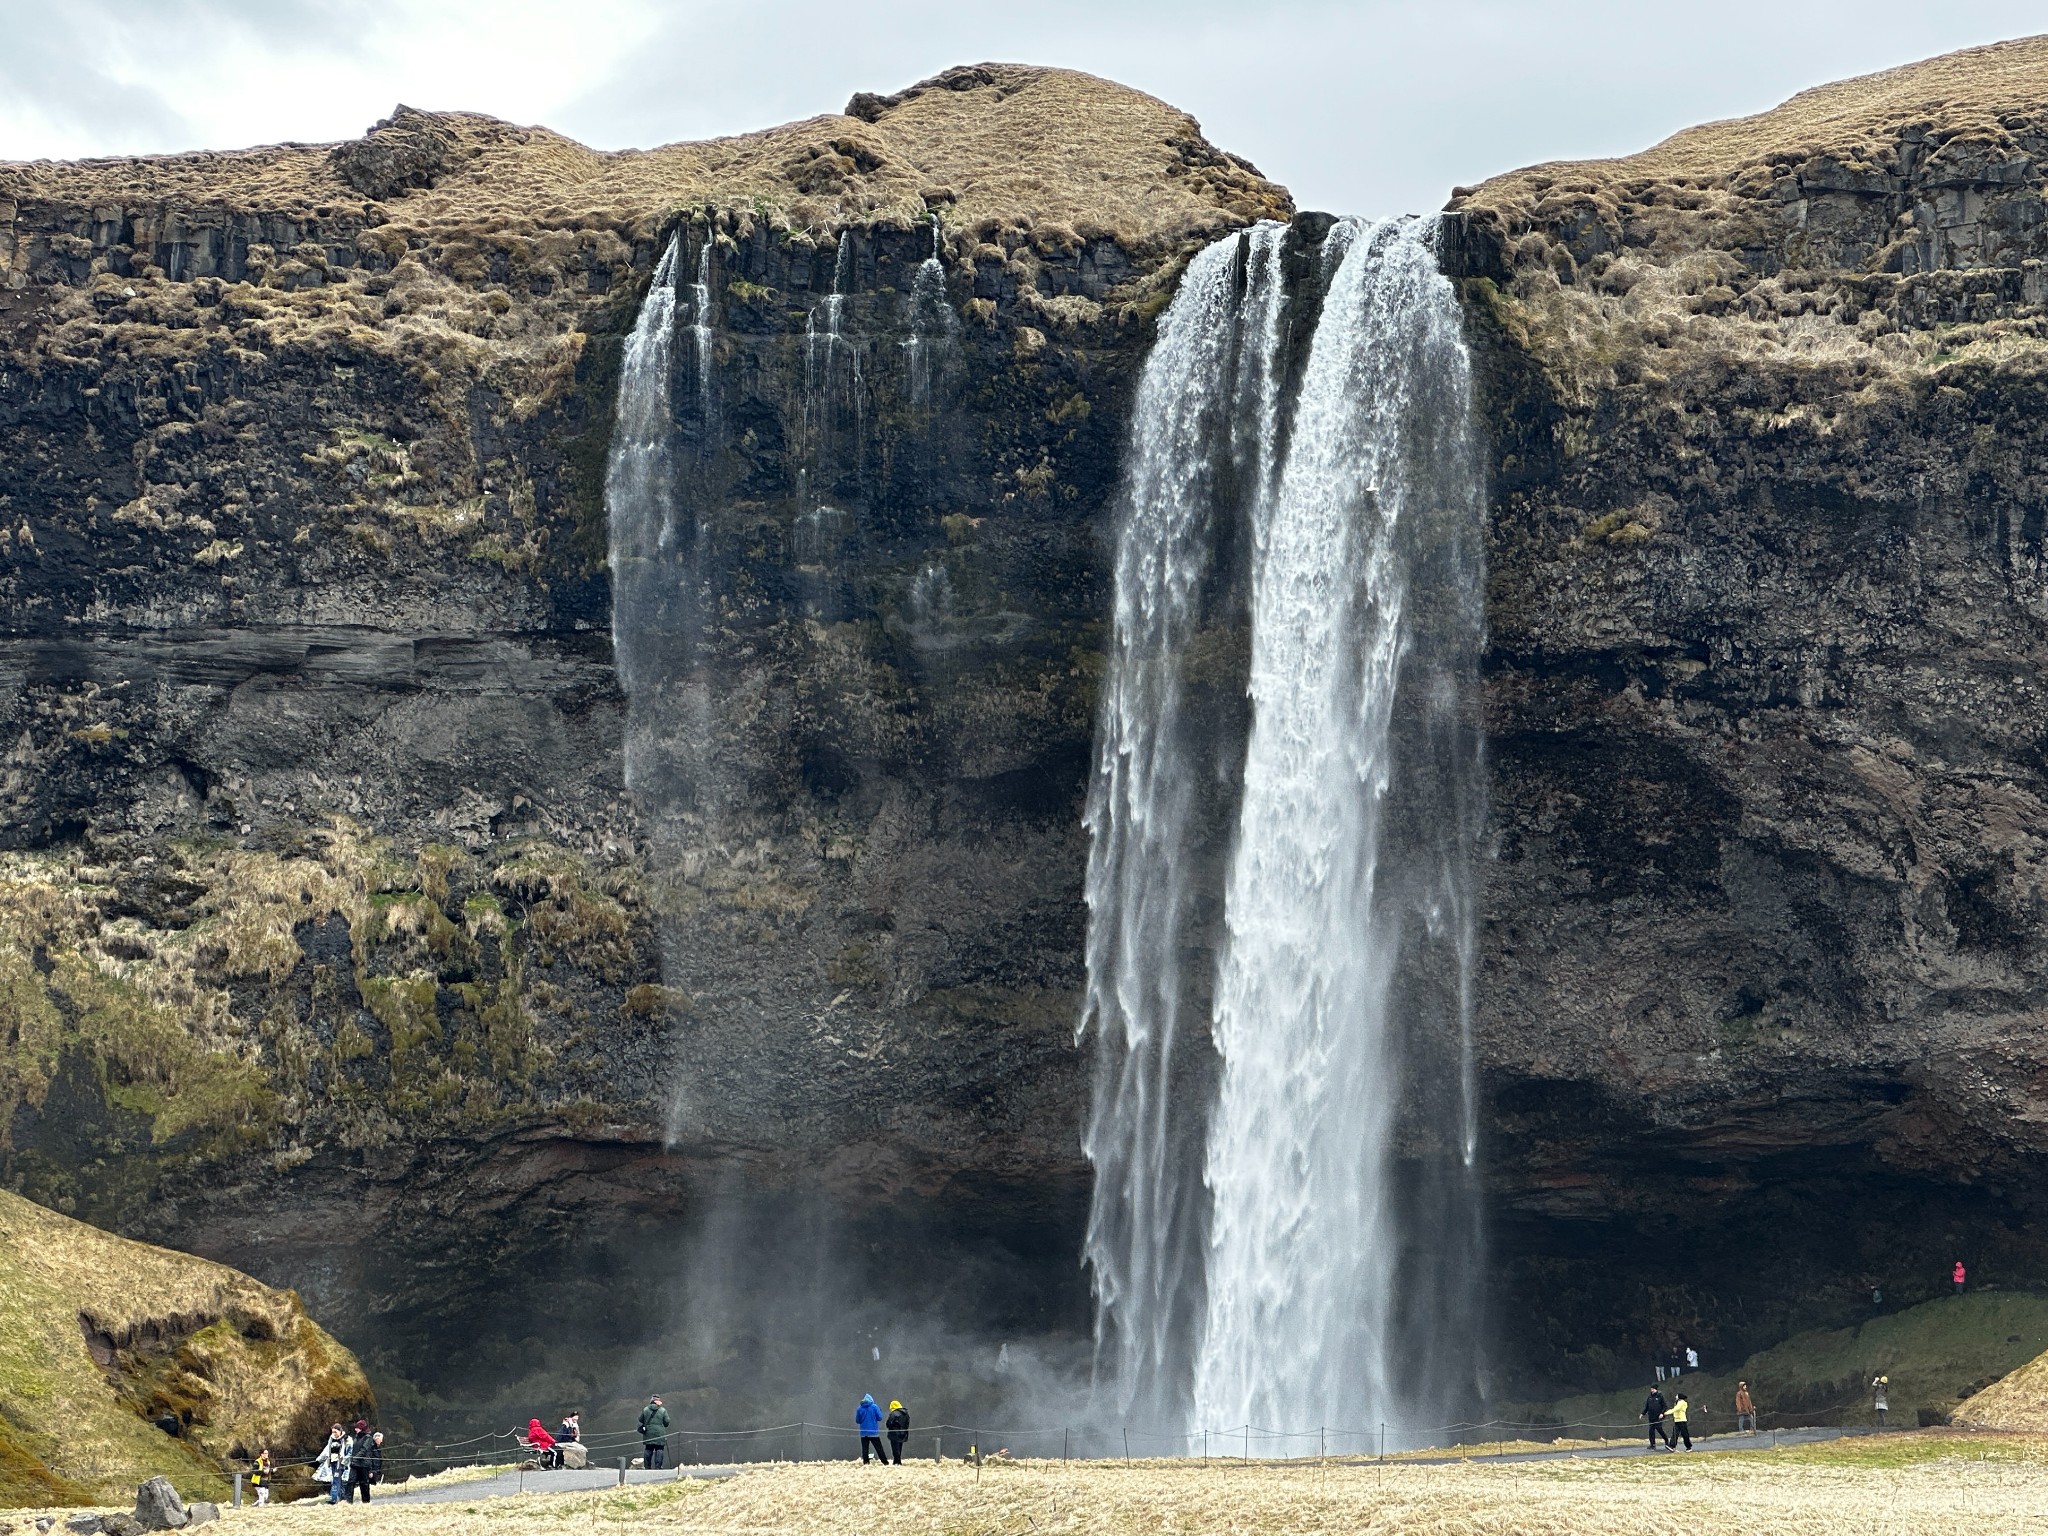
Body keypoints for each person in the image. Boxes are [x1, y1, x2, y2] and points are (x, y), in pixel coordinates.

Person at [348, 1419, 381, 1502]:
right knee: (350, 1482)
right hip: (354, 1464)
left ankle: (366, 1502)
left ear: (362, 1428)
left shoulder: (368, 1438)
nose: (355, 1429)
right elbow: (354, 1449)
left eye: (357, 1428)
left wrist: (355, 1457)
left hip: (364, 1464)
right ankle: (348, 1502)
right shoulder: (356, 1438)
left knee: (364, 1484)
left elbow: (364, 1450)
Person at [316, 1424, 350, 1503]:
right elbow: (327, 1449)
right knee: (338, 1480)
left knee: (335, 1480)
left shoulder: (346, 1439)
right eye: (333, 1432)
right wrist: (319, 1459)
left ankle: (333, 1498)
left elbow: (348, 1451)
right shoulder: (331, 1438)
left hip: (340, 1463)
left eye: (335, 1432)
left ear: (340, 1431)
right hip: (332, 1463)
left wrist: (345, 1462)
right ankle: (343, 1496)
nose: (334, 1433)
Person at [639, 1395, 670, 1470]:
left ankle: (647, 1467)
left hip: (648, 1433)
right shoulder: (663, 1410)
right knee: (659, 1449)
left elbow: (640, 1419)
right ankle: (658, 1467)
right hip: (660, 1433)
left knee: (648, 1449)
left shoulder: (645, 1409)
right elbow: (667, 1422)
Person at [856, 1393, 886, 1464]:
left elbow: (857, 1421)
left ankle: (866, 1462)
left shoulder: (859, 1408)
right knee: (879, 1448)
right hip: (873, 1432)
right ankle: (885, 1462)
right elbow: (880, 1417)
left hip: (863, 1433)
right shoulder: (874, 1407)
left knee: (865, 1448)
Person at [1641, 1385, 1670, 1450]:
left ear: (1656, 1390)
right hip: (1651, 1417)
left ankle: (1666, 1441)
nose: (1652, 1390)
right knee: (1651, 1431)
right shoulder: (1649, 1397)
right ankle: (1652, 1444)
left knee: (1659, 1429)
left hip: (1658, 1416)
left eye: (1653, 1389)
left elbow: (1664, 1406)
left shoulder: (1660, 1396)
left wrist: (1662, 1413)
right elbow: (1647, 1407)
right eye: (1651, 1389)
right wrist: (1643, 1413)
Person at [885, 1399, 910, 1465]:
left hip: (894, 1433)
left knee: (895, 1449)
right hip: (903, 1433)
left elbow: (888, 1423)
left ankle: (896, 1462)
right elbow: (907, 1423)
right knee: (899, 1447)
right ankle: (898, 1461)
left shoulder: (893, 1413)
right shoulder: (905, 1413)